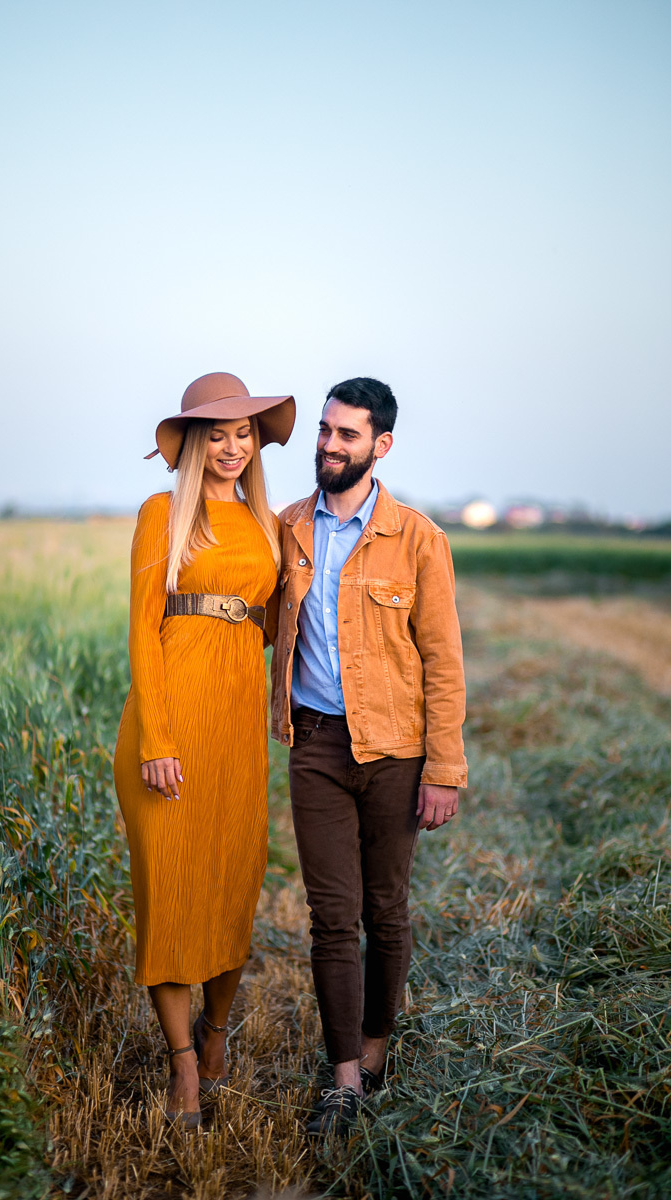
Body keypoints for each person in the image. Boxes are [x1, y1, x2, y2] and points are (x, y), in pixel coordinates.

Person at [270, 377, 467, 1136]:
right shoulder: (288, 527)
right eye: (324, 429)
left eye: (347, 435)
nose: (328, 444)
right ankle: (344, 1078)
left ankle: (378, 1047)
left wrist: (444, 769)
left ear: (380, 446)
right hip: (316, 746)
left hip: (396, 754)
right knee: (331, 916)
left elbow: (443, 662)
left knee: (385, 911)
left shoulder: (418, 538)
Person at [114, 371, 295, 1129]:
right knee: (171, 895)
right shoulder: (163, 513)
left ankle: (217, 1031)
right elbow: (143, 633)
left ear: (256, 443)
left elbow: (283, 626)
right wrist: (156, 738)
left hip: (236, 725)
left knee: (232, 883)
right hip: (170, 725)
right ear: (192, 442)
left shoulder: (269, 525)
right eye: (215, 434)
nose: (230, 446)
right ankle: (183, 1063)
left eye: (242, 433)